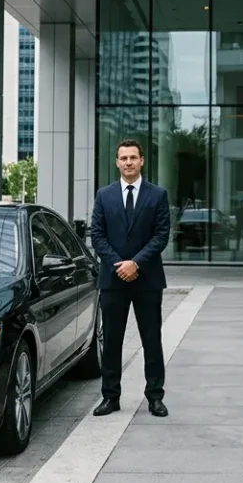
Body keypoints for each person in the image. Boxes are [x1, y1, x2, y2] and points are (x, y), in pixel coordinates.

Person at [89, 139, 171, 418]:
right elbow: (96, 235)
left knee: (152, 340)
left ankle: (155, 397)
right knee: (112, 340)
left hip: (147, 280)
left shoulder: (158, 195)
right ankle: (110, 397)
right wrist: (118, 265)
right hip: (113, 281)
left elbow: (161, 235)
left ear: (142, 161)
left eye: (133, 157)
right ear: (116, 162)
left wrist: (136, 264)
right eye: (123, 158)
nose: (128, 163)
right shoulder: (104, 195)